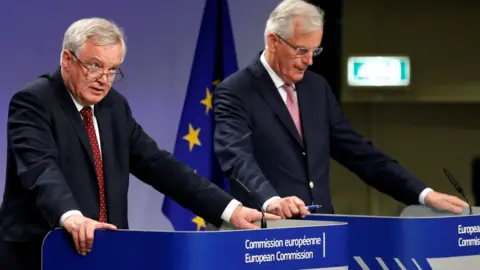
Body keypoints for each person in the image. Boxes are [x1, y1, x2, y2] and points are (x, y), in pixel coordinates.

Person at [0, 18, 279, 270]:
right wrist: (71, 216)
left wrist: (229, 210)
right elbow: (41, 169)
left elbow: (158, 165)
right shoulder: (34, 102)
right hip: (43, 254)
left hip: (106, 252)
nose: (104, 80)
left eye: (113, 70)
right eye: (95, 66)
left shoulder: (114, 106)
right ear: (67, 59)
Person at [213, 0, 468, 219]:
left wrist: (423, 194)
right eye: (301, 50)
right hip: (264, 235)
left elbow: (359, 153)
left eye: (316, 51)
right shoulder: (237, 91)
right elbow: (237, 159)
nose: (309, 61)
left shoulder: (317, 88)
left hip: (323, 235)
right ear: (273, 41)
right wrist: (271, 200)